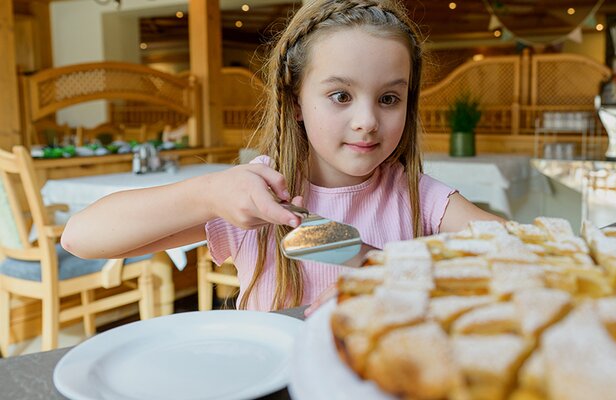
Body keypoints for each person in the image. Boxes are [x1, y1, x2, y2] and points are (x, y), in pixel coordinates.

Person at [61, 0, 502, 313]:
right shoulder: (255, 196)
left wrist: (404, 271)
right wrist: (209, 194)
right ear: (295, 102)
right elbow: (81, 237)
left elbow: (525, 251)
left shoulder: (418, 194)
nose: (367, 119)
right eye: (340, 95)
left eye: (389, 98)